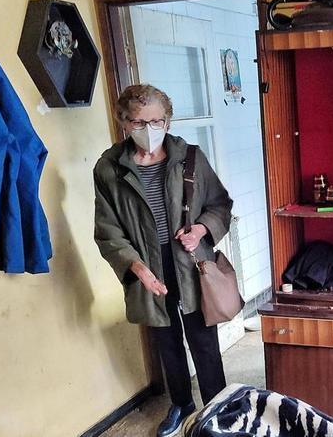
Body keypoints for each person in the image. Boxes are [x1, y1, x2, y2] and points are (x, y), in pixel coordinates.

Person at [93, 84, 234, 437]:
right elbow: (108, 231)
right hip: (148, 268)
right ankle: (182, 403)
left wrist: (201, 229)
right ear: (124, 121)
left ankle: (217, 408)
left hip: (191, 264)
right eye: (139, 122)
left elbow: (220, 205)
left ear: (168, 121)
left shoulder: (191, 158)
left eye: (157, 121)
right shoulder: (109, 168)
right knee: (166, 342)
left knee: (203, 340)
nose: (149, 129)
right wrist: (137, 268)